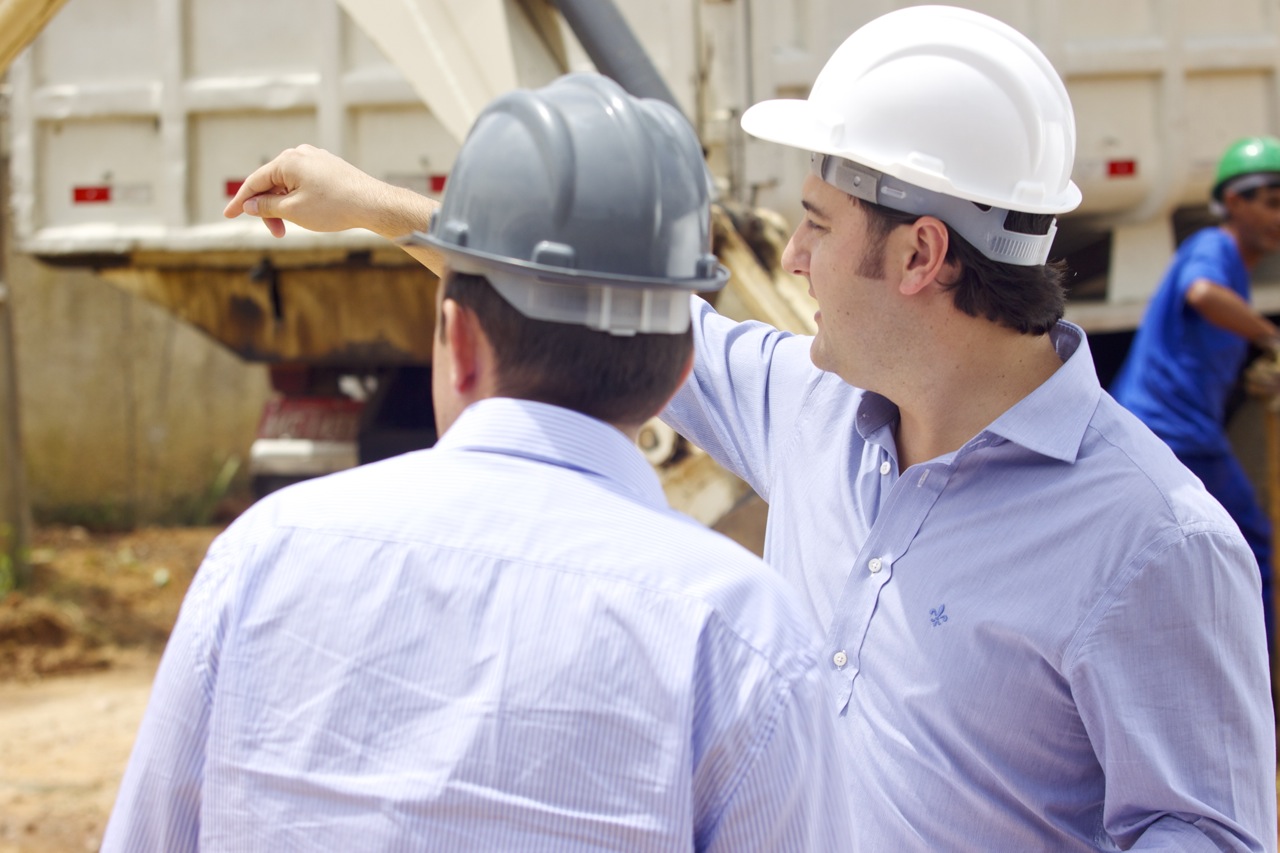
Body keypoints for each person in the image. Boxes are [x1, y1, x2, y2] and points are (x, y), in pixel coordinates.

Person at [211, 8, 1277, 850]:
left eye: (814, 225)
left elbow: (1206, 832)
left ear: (917, 255)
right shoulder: (813, 415)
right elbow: (613, 300)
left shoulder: (1151, 542)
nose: (795, 263)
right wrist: (377, 207)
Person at [101, 73, 853, 852]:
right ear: (677, 372)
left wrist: (377, 208)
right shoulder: (743, 638)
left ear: (458, 339)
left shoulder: (258, 560)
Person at [1110, 135, 1280, 654]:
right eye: (1272, 203)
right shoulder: (1213, 248)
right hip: (1174, 434)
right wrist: (1270, 336)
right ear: (1234, 203)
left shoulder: (1237, 271)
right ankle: (1258, 686)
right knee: (1250, 548)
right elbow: (1202, 294)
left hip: (1164, 432)